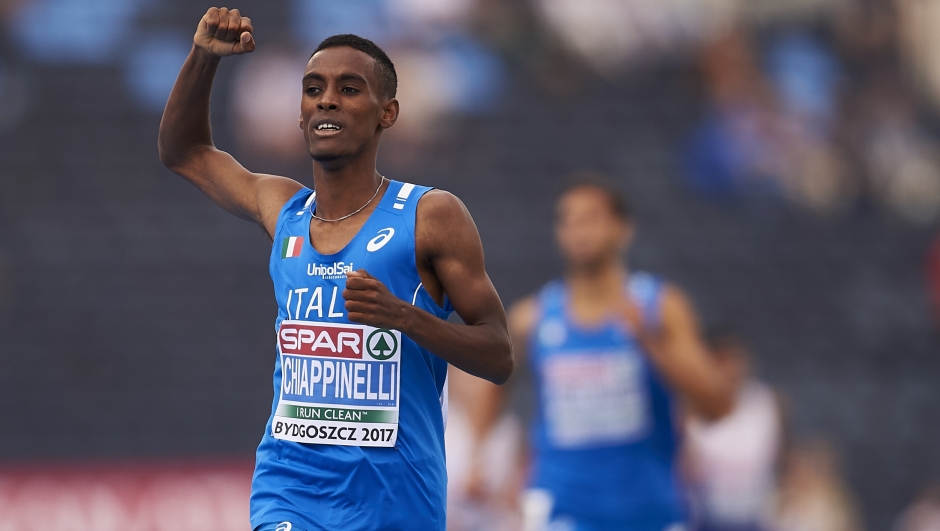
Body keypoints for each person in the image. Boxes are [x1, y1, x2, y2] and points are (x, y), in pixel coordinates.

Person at [157, 8, 513, 531]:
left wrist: (406, 318)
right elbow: (183, 151)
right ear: (300, 113)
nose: (327, 98)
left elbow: (498, 355)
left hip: (397, 502)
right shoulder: (283, 210)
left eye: (349, 88)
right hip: (290, 490)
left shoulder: (431, 216)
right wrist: (205, 57)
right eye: (313, 88)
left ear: (386, 112)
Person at [504, 174, 735, 531]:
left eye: (591, 218)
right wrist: (481, 454)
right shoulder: (531, 317)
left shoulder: (660, 307)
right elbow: (488, 387)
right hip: (561, 507)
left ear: (623, 229)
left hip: (649, 509)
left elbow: (716, 405)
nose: (579, 231)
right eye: (568, 220)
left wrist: (652, 344)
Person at [684, 331, 787, 531]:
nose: (730, 370)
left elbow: (782, 460)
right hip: (702, 520)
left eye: (735, 361)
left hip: (754, 519)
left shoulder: (767, 403)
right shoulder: (688, 406)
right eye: (721, 362)